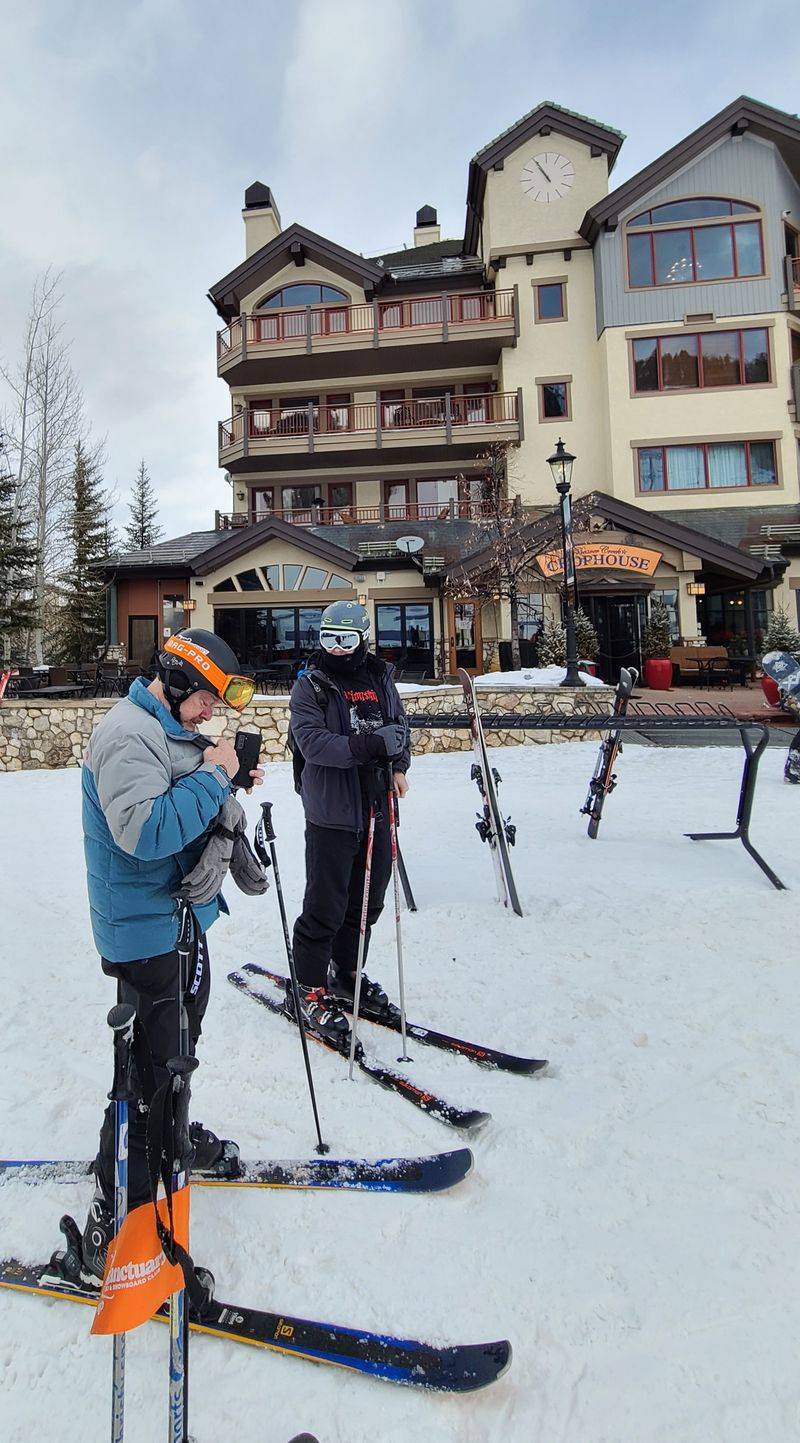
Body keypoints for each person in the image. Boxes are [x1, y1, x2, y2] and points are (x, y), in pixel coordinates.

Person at [80, 628, 264, 1278]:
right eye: (205, 699)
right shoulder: (126, 733)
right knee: (146, 1076)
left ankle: (166, 1141)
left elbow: (179, 783)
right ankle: (123, 1204)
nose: (209, 713)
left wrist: (221, 773)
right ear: (176, 681)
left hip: (176, 921)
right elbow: (146, 830)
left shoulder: (159, 727)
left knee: (171, 1059)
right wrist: (215, 775)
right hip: (144, 931)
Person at [288, 600, 411, 1044]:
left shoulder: (380, 677)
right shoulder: (311, 686)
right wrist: (368, 746)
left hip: (376, 808)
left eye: (346, 640)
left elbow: (399, 728)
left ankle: (346, 971)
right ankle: (308, 988)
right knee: (326, 904)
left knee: (367, 903)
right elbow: (314, 744)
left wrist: (398, 765)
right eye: (327, 640)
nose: (336, 650)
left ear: (363, 640)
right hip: (331, 813)